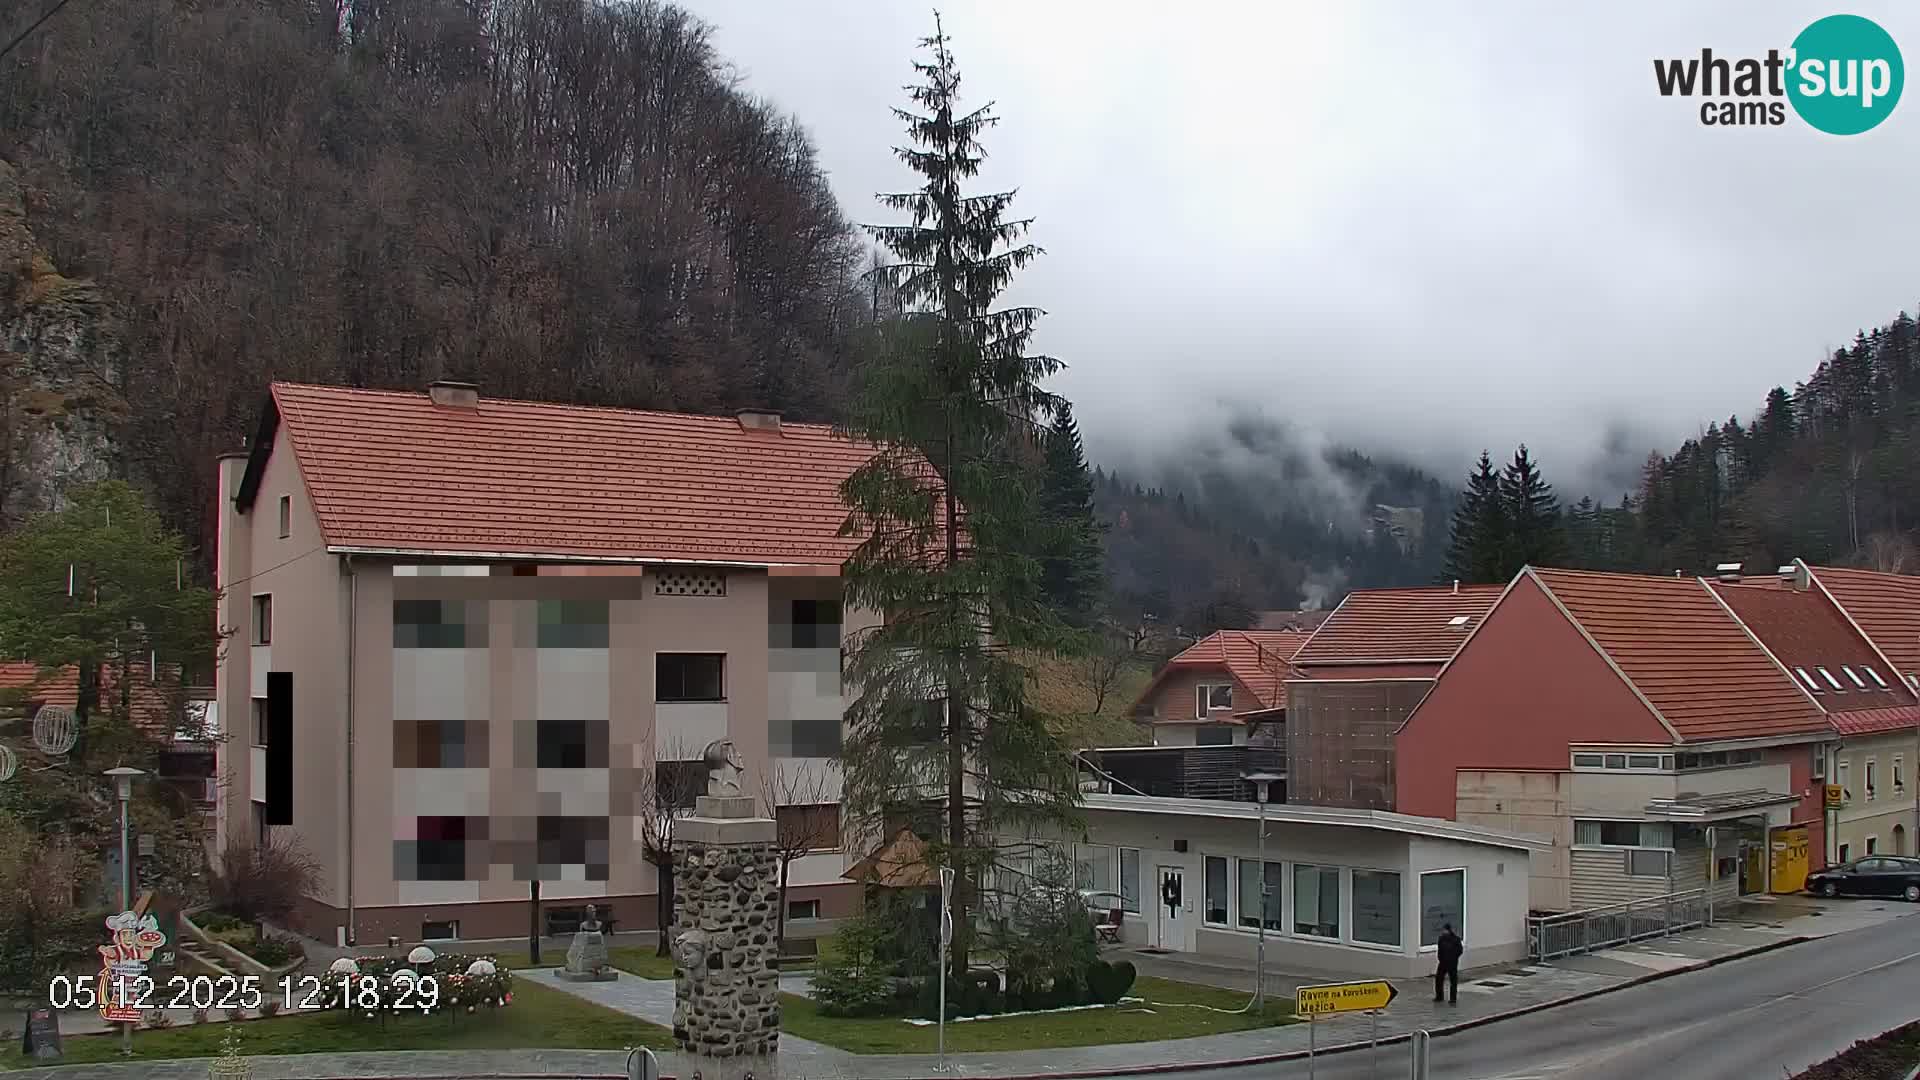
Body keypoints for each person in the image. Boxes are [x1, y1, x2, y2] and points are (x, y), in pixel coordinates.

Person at [1434, 923, 1463, 1004]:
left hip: (1452, 963)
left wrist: (1453, 958)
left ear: (1448, 930)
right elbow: (1439, 950)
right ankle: (1439, 996)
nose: (1443, 931)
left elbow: (1460, 950)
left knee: (1453, 981)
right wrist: (1440, 958)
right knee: (1438, 979)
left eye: (1444, 930)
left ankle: (1453, 999)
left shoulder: (1456, 939)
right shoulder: (1441, 939)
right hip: (1443, 962)